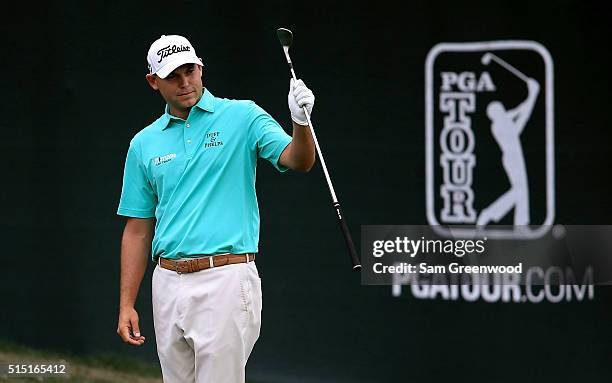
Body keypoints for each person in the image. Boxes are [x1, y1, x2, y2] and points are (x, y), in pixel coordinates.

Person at [115, 34, 316, 383]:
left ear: (201, 67)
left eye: (190, 71)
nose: (184, 83)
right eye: (172, 76)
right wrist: (126, 303)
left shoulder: (243, 116)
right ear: (153, 81)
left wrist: (301, 122)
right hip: (167, 283)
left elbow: (298, 160)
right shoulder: (144, 143)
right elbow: (137, 227)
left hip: (225, 277)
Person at [477, 77, 539, 228]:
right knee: (519, 191)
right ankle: (489, 213)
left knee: (522, 190)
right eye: (499, 109)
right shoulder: (498, 126)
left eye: (501, 108)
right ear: (494, 114)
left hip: (515, 156)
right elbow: (521, 115)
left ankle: (521, 223)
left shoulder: (504, 121)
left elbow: (521, 114)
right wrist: (533, 94)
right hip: (512, 158)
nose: (502, 110)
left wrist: (532, 95)